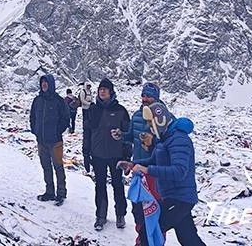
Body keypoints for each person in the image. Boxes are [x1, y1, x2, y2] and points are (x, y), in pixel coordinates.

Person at [120, 102, 206, 246]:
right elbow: (153, 160)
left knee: (149, 231)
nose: (149, 126)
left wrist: (147, 170)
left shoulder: (179, 139)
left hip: (180, 199)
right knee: (188, 238)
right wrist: (134, 164)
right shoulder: (164, 139)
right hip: (172, 197)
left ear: (160, 120)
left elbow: (179, 171)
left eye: (150, 122)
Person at [82, 78, 131, 231]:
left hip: (116, 155)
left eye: (105, 89)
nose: (102, 91)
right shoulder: (92, 110)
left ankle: (120, 215)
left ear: (111, 92)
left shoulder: (121, 110)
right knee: (100, 186)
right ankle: (101, 216)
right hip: (97, 155)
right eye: (100, 89)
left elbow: (128, 135)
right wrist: (86, 153)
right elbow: (87, 133)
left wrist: (127, 156)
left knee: (118, 185)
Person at [126, 82, 164, 244]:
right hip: (137, 169)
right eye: (143, 95)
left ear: (156, 98)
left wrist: (153, 141)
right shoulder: (136, 115)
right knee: (138, 208)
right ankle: (141, 239)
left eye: (149, 96)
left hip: (154, 171)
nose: (145, 99)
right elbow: (130, 135)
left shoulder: (163, 117)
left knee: (153, 208)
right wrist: (120, 135)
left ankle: (155, 240)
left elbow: (167, 142)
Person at [30, 74, 68, 206]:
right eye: (42, 83)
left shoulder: (59, 101)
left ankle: (61, 192)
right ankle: (49, 191)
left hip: (55, 141)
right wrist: (35, 131)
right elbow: (32, 117)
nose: (44, 85)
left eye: (46, 83)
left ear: (51, 84)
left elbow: (65, 119)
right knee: (46, 166)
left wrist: (57, 132)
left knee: (58, 166)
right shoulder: (37, 100)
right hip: (41, 141)